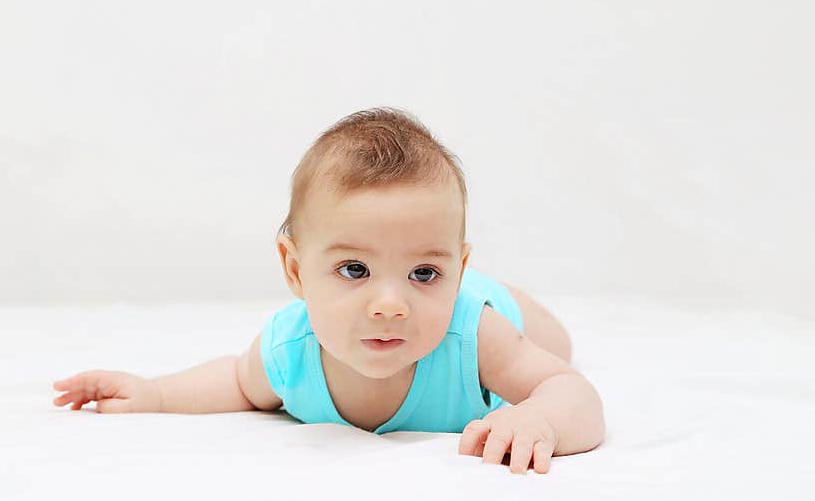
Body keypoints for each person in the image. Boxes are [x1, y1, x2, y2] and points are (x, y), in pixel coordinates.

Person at [53, 107, 605, 474]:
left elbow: (574, 393)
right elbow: (235, 382)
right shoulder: (290, 352)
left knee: (556, 345)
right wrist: (153, 393)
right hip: (450, 302)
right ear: (295, 271)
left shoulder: (474, 334)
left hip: (497, 311)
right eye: (354, 270)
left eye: (424, 273)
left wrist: (544, 417)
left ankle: (486, 288)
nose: (389, 305)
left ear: (456, 270)